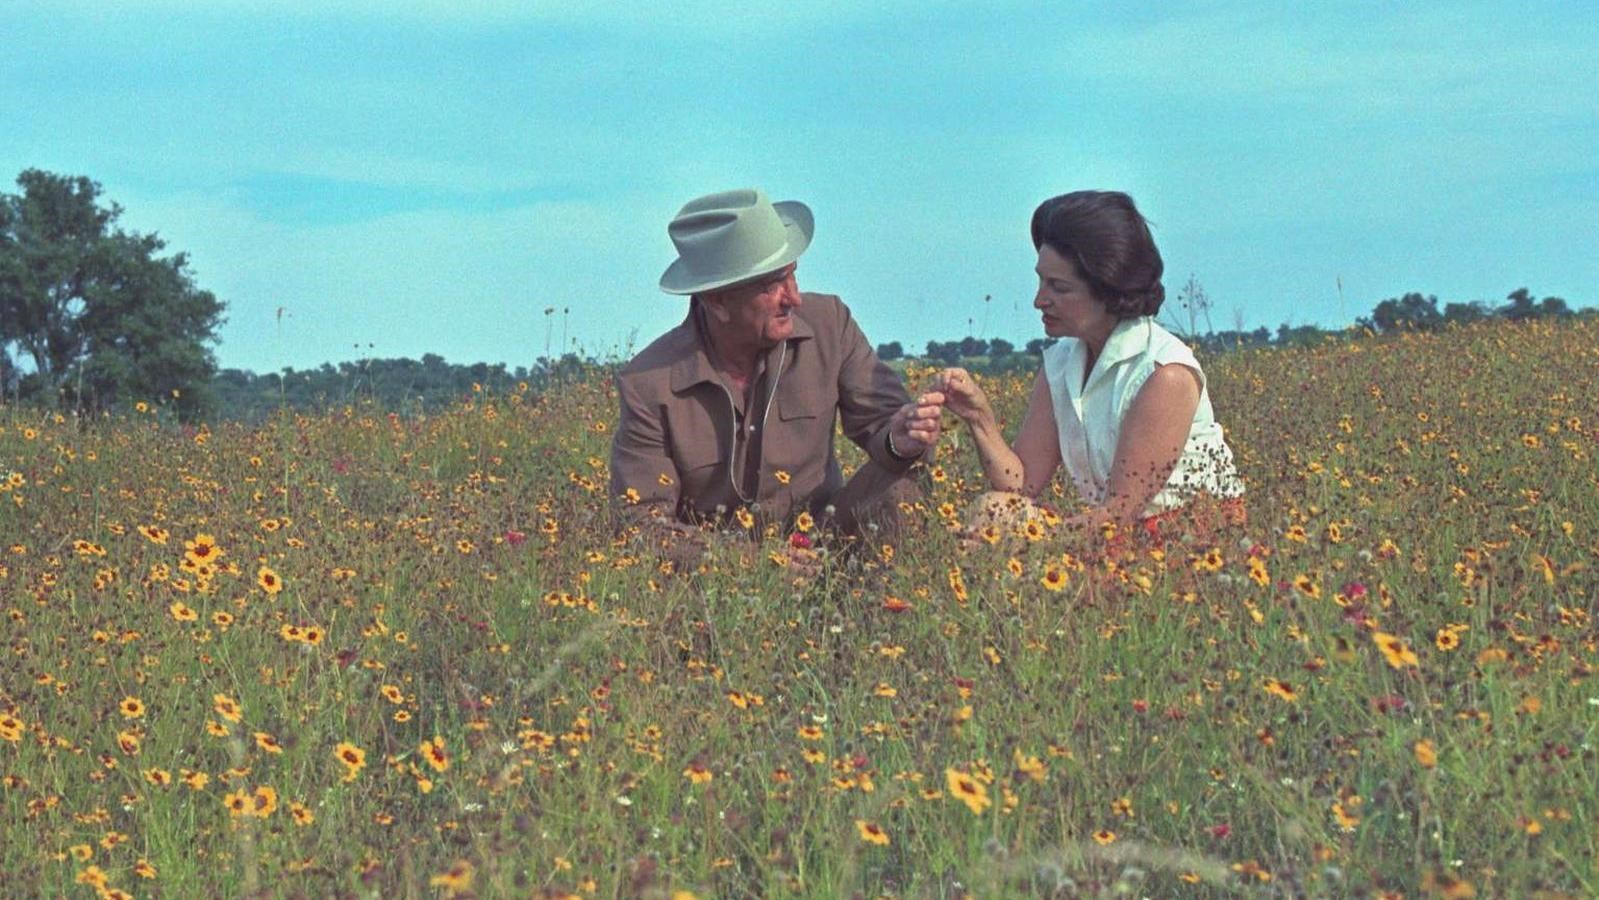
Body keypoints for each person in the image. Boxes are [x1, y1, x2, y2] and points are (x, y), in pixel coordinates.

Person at [610, 188, 944, 565]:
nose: (793, 298)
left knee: (902, 485)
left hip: (828, 544)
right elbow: (640, 523)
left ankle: (879, 616)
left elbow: (885, 424)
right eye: (771, 285)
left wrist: (902, 440)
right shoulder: (649, 383)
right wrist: (750, 563)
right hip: (719, 575)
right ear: (717, 301)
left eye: (793, 276)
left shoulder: (830, 325)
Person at [937, 190, 1244, 544]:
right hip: (1112, 533)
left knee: (995, 535)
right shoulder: (1061, 363)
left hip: (1185, 544)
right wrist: (979, 418)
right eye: (1041, 281)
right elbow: (1022, 485)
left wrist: (1023, 543)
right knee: (994, 510)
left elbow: (1120, 514)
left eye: (1059, 287)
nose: (1040, 300)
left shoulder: (1164, 374)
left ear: (1107, 289)